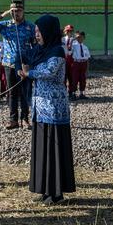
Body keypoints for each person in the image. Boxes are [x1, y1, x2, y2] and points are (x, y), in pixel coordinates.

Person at [19, 15, 75, 204]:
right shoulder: (40, 51)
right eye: (35, 32)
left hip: (54, 109)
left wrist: (29, 73)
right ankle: (44, 189)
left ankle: (56, 193)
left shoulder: (57, 51)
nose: (37, 35)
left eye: (39, 31)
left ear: (48, 31)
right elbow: (22, 57)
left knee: (54, 150)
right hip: (39, 108)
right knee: (43, 149)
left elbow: (49, 72)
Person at [0, 0, 36, 130]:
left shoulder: (30, 27)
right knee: (12, 93)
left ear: (23, 11)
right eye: (13, 11)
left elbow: (34, 45)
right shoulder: (5, 25)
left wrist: (31, 63)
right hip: (9, 63)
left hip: (24, 64)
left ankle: (25, 119)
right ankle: (13, 120)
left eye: (18, 11)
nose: (16, 13)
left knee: (25, 92)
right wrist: (2, 15)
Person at [70, 31, 91, 100]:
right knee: (74, 78)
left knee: (83, 79)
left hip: (83, 63)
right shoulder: (74, 46)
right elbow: (69, 49)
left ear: (84, 38)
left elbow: (87, 58)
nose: (79, 39)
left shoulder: (85, 47)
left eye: (81, 37)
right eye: (78, 37)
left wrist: (87, 69)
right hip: (76, 63)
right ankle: (73, 93)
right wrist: (73, 39)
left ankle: (82, 93)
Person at [62, 24, 76, 98]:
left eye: (70, 31)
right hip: (64, 59)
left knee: (71, 77)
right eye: (67, 31)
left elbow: (76, 51)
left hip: (72, 59)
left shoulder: (75, 40)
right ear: (65, 32)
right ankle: (64, 92)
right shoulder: (62, 40)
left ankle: (71, 92)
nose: (69, 32)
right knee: (64, 76)